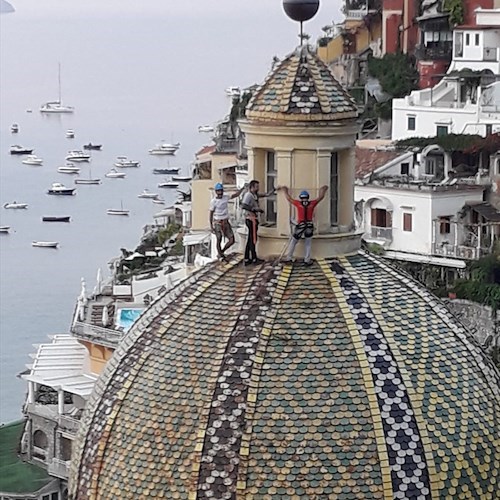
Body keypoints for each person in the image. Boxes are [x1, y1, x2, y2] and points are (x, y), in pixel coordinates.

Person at [278, 185, 328, 266]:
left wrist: (285, 191)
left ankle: (289, 257)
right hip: (309, 225)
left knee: (293, 241)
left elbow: (289, 199)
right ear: (307, 197)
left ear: (301, 197)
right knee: (308, 243)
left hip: (300, 225)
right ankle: (307, 260)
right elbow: (320, 197)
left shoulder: (298, 203)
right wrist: (323, 190)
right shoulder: (312, 203)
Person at [209, 182, 246, 261]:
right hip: (217, 222)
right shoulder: (213, 201)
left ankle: (221, 252)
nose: (220, 192)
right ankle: (220, 254)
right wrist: (211, 226)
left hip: (225, 221)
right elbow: (211, 213)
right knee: (219, 238)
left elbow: (235, 195)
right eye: (218, 191)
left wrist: (242, 189)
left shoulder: (225, 197)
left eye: (221, 190)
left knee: (232, 240)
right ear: (216, 191)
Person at [240, 179, 274, 265]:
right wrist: (255, 209)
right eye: (256, 187)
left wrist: (274, 189)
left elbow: (266, 195)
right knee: (252, 239)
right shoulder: (248, 195)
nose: (258, 188)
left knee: (250, 239)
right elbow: (243, 205)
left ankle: (247, 258)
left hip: (254, 218)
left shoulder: (254, 195)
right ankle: (254, 258)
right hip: (250, 219)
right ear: (252, 187)